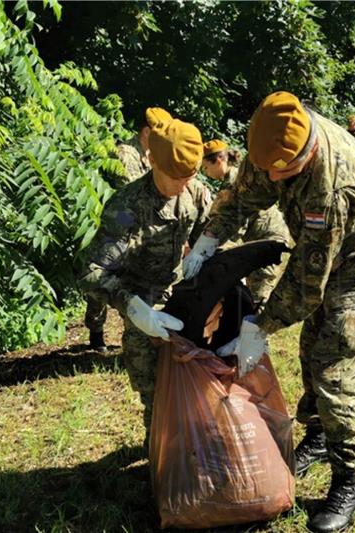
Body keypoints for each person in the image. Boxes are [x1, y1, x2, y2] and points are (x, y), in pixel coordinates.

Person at [185, 92, 355, 533]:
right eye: (269, 168)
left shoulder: (336, 185)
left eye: (284, 170)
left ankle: (347, 478)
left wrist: (257, 329)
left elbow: (306, 284)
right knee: (309, 348)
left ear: (309, 151)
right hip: (320, 254)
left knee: (332, 364)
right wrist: (208, 238)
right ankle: (319, 436)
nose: (274, 177)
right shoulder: (271, 143)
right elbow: (242, 195)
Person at [79, 118, 212, 446]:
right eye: (175, 178)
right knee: (155, 392)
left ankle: (193, 449)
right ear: (152, 160)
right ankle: (162, 456)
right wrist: (132, 307)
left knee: (200, 382)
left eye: (190, 176)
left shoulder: (195, 193)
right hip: (140, 299)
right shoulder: (127, 209)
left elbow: (208, 236)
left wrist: (204, 255)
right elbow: (93, 270)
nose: (183, 186)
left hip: (180, 293)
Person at [84, 107, 173, 352]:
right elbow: (134, 191)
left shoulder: (149, 154)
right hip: (120, 222)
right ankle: (96, 330)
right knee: (104, 272)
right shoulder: (126, 154)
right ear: (146, 132)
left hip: (140, 225)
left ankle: (135, 330)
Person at [201, 139, 291, 309]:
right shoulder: (232, 179)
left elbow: (235, 226)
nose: (206, 173)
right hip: (259, 239)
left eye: (206, 167)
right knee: (252, 292)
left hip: (268, 240)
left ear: (219, 161)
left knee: (259, 296)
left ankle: (257, 332)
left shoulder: (235, 182)